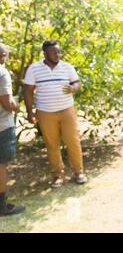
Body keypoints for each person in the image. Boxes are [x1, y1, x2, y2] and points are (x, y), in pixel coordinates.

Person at [24, 41, 86, 188]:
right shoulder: (34, 69)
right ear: (45, 53)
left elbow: (77, 83)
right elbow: (28, 91)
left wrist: (72, 88)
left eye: (58, 52)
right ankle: (57, 175)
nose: (57, 55)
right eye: (53, 53)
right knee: (51, 144)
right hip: (45, 112)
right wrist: (29, 112)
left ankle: (78, 172)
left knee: (73, 141)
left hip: (67, 110)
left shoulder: (66, 66)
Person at [0, 44, 25, 216]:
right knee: (1, 165)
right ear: (3, 54)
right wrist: (16, 106)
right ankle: (2, 206)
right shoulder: (2, 73)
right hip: (2, 126)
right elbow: (7, 103)